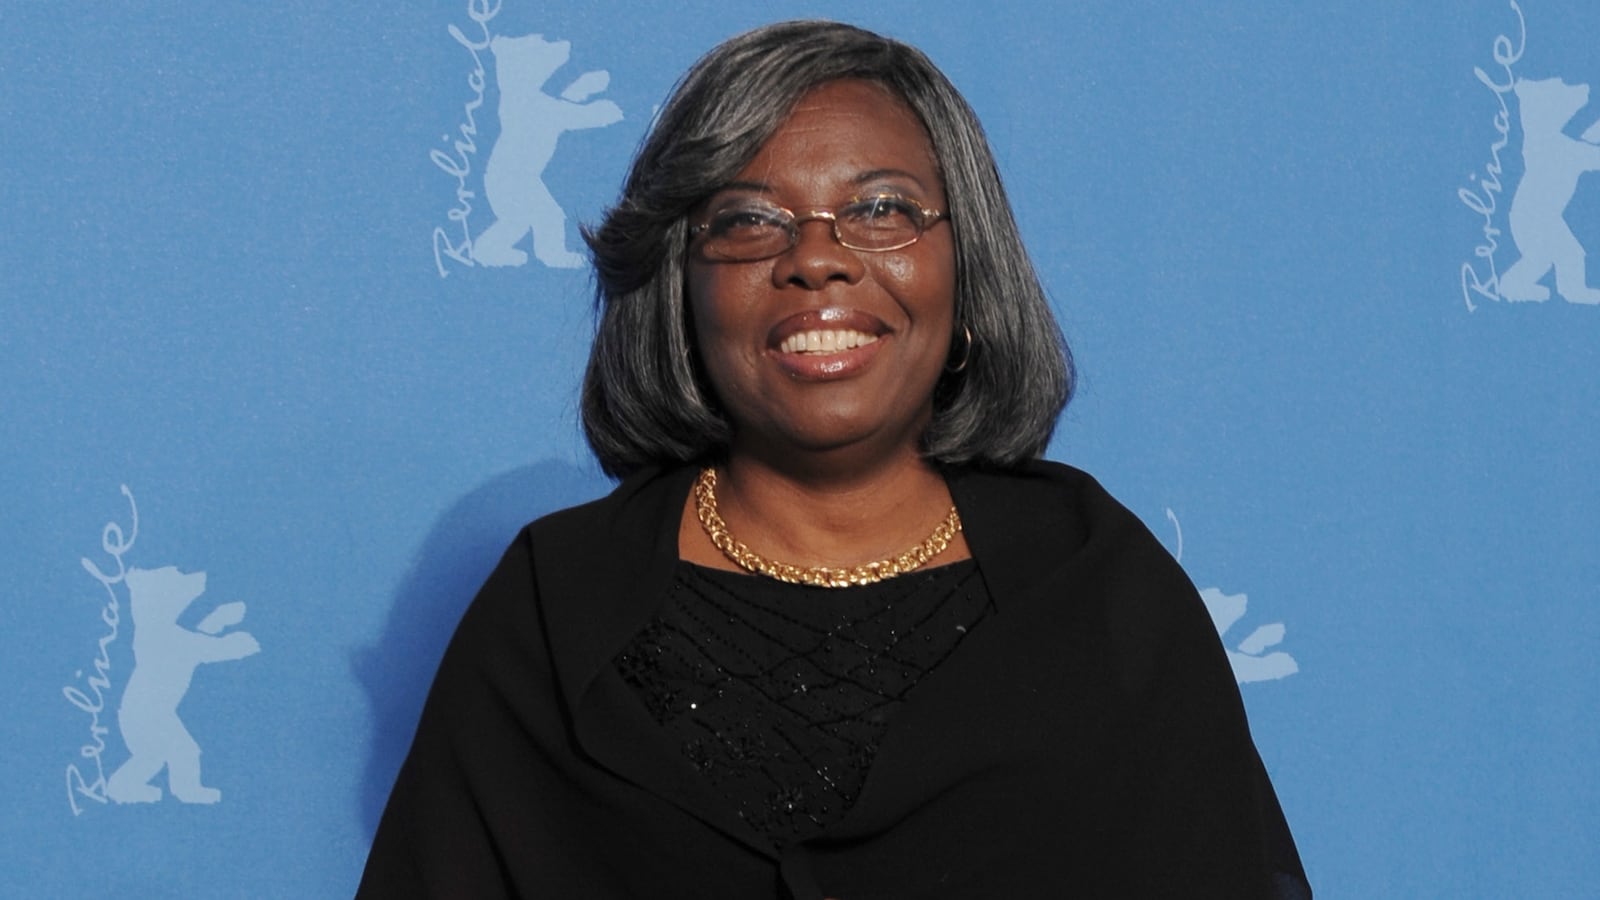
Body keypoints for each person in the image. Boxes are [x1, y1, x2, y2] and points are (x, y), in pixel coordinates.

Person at [358, 20, 1311, 899]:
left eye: (883, 208)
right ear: (680, 292)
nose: (818, 258)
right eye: (747, 220)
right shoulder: (552, 612)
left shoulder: (1106, 598)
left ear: (967, 270)